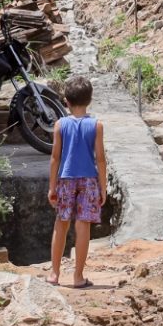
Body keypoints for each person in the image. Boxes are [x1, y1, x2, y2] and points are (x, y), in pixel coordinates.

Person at [48, 75, 108, 289]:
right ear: (89, 100)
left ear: (66, 101)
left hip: (65, 179)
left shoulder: (60, 124)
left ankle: (54, 274)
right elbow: (100, 159)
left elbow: (55, 158)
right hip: (89, 180)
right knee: (83, 225)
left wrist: (52, 187)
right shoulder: (97, 125)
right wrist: (103, 187)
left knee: (61, 223)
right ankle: (78, 277)